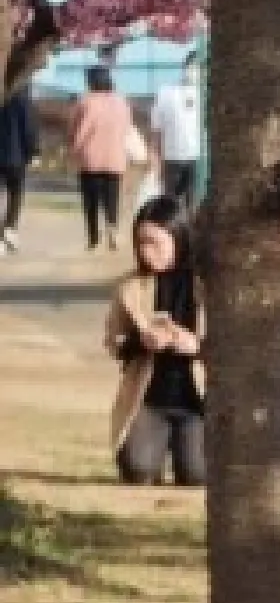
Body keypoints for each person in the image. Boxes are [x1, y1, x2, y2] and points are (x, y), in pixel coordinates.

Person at [105, 196, 206, 487]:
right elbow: (115, 342)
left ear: (179, 237)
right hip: (150, 398)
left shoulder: (207, 286)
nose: (147, 252)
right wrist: (142, 341)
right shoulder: (131, 287)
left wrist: (196, 346)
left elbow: (233, 347)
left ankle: (189, 443)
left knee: (197, 476)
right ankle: (154, 441)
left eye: (155, 243)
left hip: (198, 401)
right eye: (141, 243)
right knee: (138, 470)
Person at [69, 62, 142, 251]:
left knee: (91, 200)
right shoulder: (121, 102)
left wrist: (74, 149)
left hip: (90, 159)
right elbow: (127, 127)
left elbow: (78, 130)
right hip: (115, 157)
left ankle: (93, 238)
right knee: (112, 198)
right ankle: (113, 230)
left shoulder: (86, 102)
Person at [151, 52, 203, 205]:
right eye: (191, 66)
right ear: (184, 67)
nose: (193, 70)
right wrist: (156, 159)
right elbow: (156, 131)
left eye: (198, 67)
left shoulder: (206, 95)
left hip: (197, 158)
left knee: (193, 200)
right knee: (170, 201)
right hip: (172, 157)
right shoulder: (166, 93)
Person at [0, 81, 37, 252]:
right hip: (15, 155)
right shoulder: (22, 95)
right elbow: (28, 127)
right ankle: (9, 228)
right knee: (15, 192)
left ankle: (5, 231)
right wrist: (33, 151)